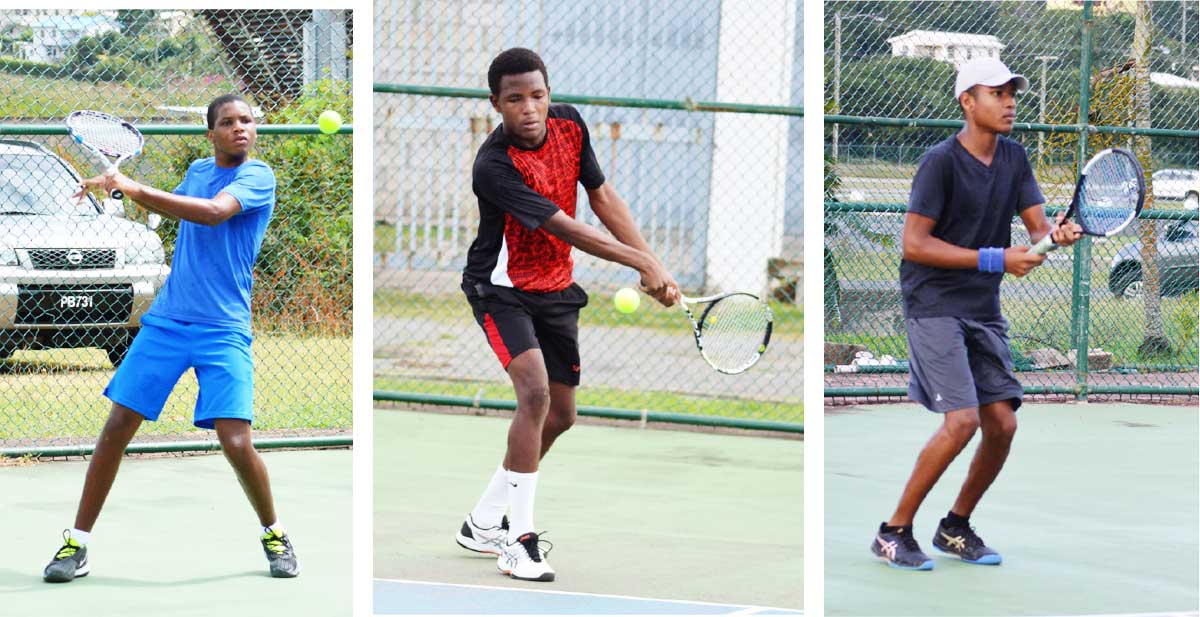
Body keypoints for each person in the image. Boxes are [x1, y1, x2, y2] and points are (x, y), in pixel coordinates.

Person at [43, 94, 299, 582]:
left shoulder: (257, 177)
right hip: (168, 322)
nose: (240, 128)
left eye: (247, 121)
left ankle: (274, 532)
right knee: (117, 426)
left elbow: (210, 213)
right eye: (228, 122)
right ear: (211, 134)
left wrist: (135, 187)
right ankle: (77, 544)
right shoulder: (200, 169)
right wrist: (117, 192)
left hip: (224, 329)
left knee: (236, 440)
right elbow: (179, 207)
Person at [454, 48, 678, 582]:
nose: (528, 108)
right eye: (514, 99)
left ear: (549, 94)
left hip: (556, 289)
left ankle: (483, 520)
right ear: (496, 104)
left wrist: (655, 265)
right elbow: (567, 227)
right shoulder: (493, 166)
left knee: (561, 415)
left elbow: (600, 198)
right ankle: (518, 541)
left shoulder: (571, 125)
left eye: (537, 95)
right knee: (534, 394)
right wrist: (641, 262)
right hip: (501, 288)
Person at [870, 57, 1082, 570]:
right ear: (968, 101)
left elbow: (1034, 236)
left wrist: (1053, 239)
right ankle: (893, 531)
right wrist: (998, 258)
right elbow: (914, 244)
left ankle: (955, 527)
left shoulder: (1014, 158)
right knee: (961, 420)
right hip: (934, 304)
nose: (1009, 101)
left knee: (1002, 424)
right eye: (997, 92)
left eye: (1013, 92)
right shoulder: (939, 162)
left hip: (981, 307)